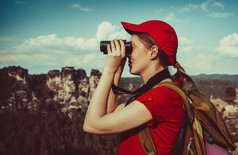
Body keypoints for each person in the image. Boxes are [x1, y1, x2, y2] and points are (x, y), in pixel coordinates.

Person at [83, 20, 187, 155]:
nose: (128, 54)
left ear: (153, 52)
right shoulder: (154, 92)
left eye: (132, 47)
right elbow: (108, 115)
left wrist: (108, 69)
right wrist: (116, 73)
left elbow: (91, 124)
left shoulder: (163, 96)